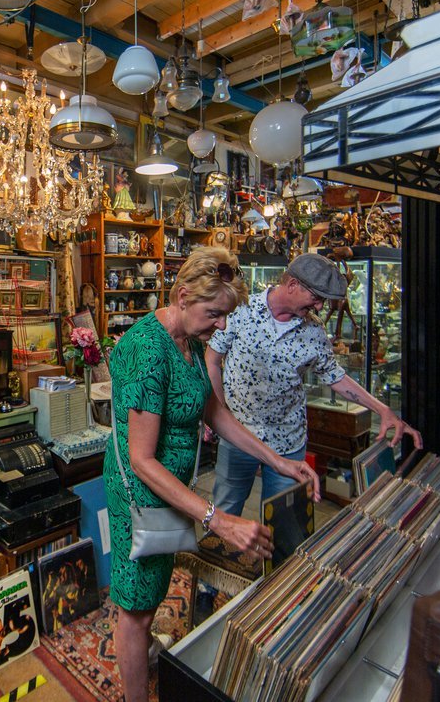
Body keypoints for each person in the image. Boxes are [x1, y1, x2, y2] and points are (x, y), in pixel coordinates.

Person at [104, 246, 320, 702]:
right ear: (182, 296)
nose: (221, 326)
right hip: (140, 493)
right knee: (137, 608)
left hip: (173, 489)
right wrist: (218, 519)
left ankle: (143, 659)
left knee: (155, 589)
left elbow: (214, 411)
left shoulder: (190, 342)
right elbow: (142, 461)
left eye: (226, 315)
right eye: (214, 314)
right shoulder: (147, 351)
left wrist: (277, 459)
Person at [206, 253, 422, 539]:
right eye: (317, 297)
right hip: (238, 436)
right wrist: (217, 414)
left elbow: (335, 376)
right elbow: (212, 359)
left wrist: (382, 408)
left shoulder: (314, 330)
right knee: (225, 515)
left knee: (286, 526)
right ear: (293, 284)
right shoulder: (240, 310)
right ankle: (215, 579)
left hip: (287, 441)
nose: (319, 306)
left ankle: (280, 581)